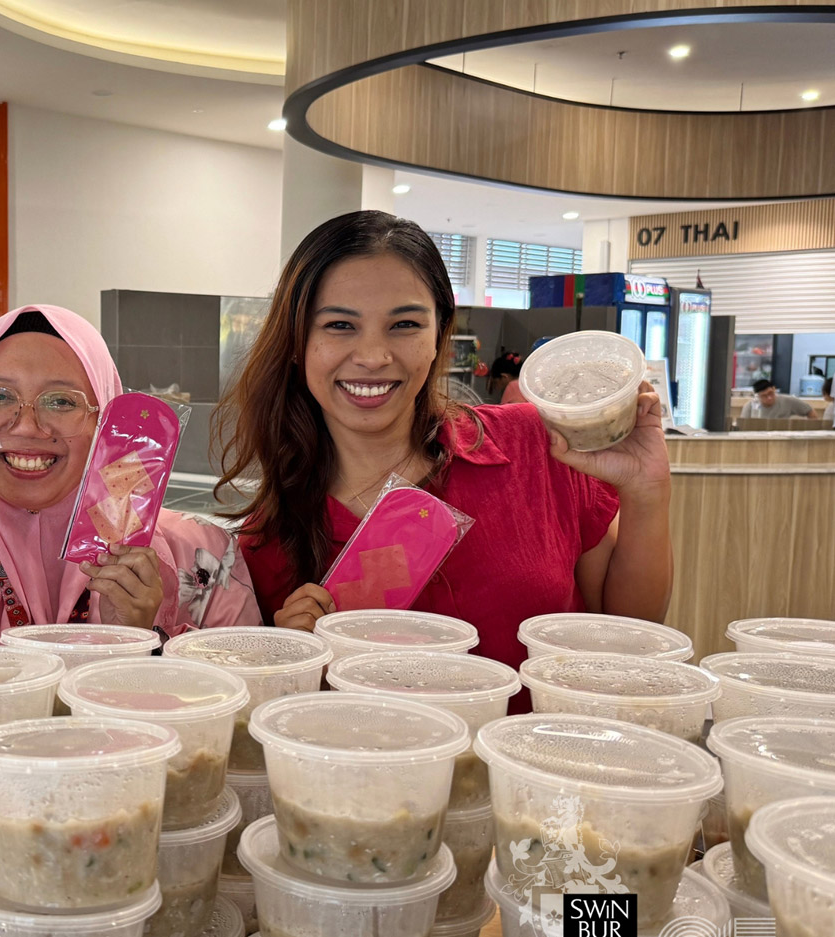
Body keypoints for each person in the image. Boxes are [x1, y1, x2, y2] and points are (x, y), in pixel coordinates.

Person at [213, 211, 672, 690]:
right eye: (339, 326)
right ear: (296, 341)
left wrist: (646, 491)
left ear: (439, 335)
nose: (373, 357)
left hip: (548, 755)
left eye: (405, 324)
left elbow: (628, 633)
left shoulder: (538, 446)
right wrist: (293, 660)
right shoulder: (268, 539)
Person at [0, 304, 259, 638]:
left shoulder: (202, 558)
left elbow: (240, 718)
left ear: (107, 420)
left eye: (62, 401)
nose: (27, 426)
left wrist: (142, 639)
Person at [742, 378, 817, 419]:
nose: (769, 397)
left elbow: (810, 411)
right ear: (757, 396)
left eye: (771, 393)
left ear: (774, 389)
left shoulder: (788, 401)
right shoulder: (750, 407)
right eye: (764, 396)